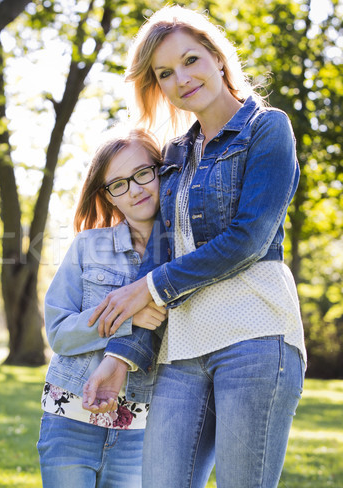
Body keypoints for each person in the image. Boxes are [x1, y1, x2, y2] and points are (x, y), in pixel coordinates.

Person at [82, 6, 307, 488]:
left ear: (217, 58)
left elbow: (249, 238)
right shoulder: (176, 155)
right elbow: (161, 256)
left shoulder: (267, 129)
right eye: (165, 73)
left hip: (256, 335)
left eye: (190, 60)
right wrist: (118, 358)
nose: (181, 78)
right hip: (182, 348)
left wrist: (150, 286)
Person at [37, 127, 168, 487]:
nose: (136, 189)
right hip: (70, 416)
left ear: (162, 170)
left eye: (143, 173)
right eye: (119, 183)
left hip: (140, 428)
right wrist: (127, 319)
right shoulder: (86, 247)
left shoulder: (186, 257)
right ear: (109, 197)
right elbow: (60, 333)